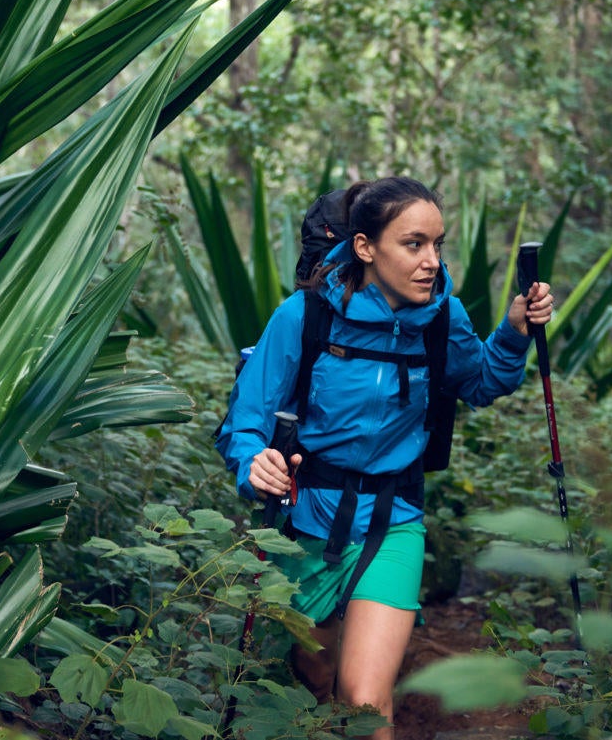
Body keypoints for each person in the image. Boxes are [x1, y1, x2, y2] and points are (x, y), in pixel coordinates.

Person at [215, 177, 554, 739]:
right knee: (313, 674)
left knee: (366, 702)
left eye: (437, 244)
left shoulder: (443, 318)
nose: (431, 261)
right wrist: (254, 461)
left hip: (394, 520)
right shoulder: (304, 317)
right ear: (365, 247)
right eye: (413, 244)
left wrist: (514, 332)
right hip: (307, 522)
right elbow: (246, 420)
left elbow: (480, 380)